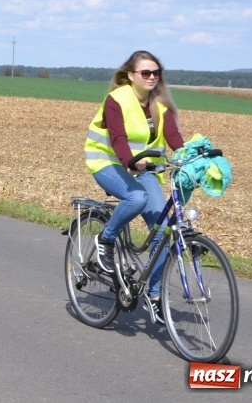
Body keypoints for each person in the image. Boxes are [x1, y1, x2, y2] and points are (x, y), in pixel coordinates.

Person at [83, 50, 185, 325]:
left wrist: (190, 156)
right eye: (146, 73)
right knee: (136, 197)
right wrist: (129, 161)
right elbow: (117, 136)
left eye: (156, 72)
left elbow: (174, 137)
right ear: (131, 75)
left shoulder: (160, 104)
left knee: (164, 230)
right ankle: (105, 239)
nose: (152, 77)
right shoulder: (116, 99)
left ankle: (154, 297)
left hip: (143, 168)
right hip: (108, 163)